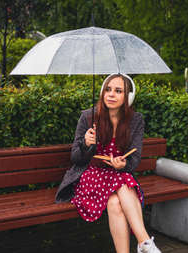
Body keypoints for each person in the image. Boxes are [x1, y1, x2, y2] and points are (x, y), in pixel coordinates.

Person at [55, 73, 161, 253]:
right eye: (108, 90)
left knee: (114, 203)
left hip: (117, 177)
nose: (111, 94)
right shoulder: (88, 117)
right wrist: (86, 144)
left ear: (128, 97)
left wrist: (123, 165)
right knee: (124, 182)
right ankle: (144, 242)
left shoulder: (135, 120)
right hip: (90, 177)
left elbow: (134, 159)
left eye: (118, 91)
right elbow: (76, 158)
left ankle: (141, 246)